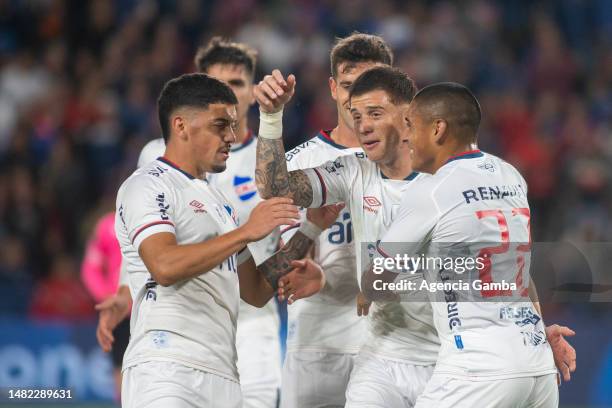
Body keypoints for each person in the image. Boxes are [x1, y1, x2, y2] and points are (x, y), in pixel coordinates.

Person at [117, 73, 325, 408]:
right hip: (167, 366)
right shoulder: (148, 185)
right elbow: (164, 265)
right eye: (220, 125)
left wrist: (309, 232)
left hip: (224, 372)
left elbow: (255, 291)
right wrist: (245, 231)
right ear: (181, 125)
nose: (231, 136)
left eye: (232, 125)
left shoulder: (218, 203)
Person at [369, 82, 574, 407]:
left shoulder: (432, 189)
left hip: (477, 368)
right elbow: (519, 276)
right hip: (537, 365)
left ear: (438, 129)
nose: (405, 137)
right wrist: (540, 328)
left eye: (411, 125)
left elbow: (375, 281)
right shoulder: (510, 176)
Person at [255, 66, 440, 407]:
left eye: (375, 113)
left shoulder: (448, 181)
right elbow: (274, 186)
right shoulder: (353, 170)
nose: (363, 125)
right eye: (357, 115)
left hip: (443, 360)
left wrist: (529, 330)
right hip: (379, 359)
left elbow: (498, 265)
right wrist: (270, 115)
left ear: (409, 115)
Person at [278, 33, 394, 408]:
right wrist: (308, 257)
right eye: (347, 86)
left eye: (369, 85)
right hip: (318, 343)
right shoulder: (299, 164)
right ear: (331, 87)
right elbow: (284, 266)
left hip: (394, 345)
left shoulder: (416, 162)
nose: (356, 98)